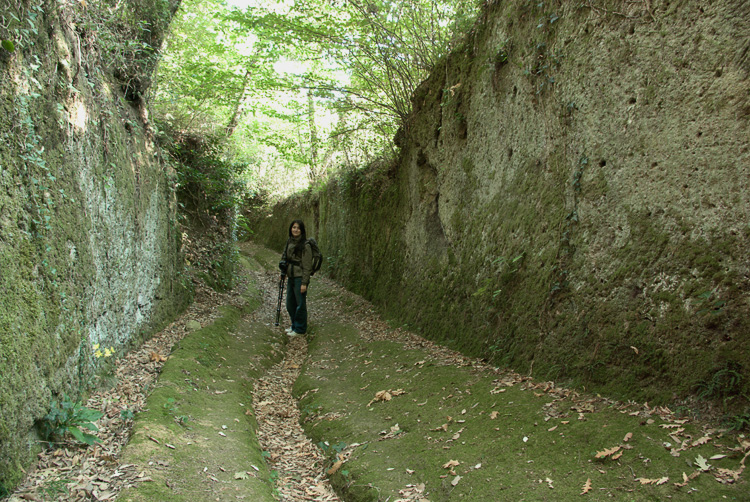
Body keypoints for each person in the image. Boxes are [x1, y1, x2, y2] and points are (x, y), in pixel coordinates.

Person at [280, 219, 312, 335]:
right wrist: (283, 272)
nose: (296, 230)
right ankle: (294, 326)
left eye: (298, 228)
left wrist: (304, 282)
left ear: (302, 230)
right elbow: (284, 257)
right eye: (294, 227)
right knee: (290, 304)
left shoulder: (305, 245)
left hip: (299, 277)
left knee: (300, 304)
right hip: (291, 276)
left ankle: (300, 329)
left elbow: (307, 266)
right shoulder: (289, 241)